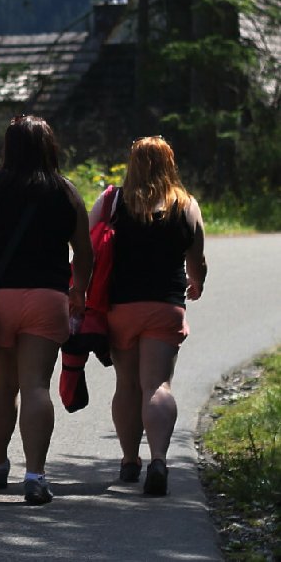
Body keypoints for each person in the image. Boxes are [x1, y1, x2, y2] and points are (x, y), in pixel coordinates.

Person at [0, 115, 92, 505]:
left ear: (8, 147)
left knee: (3, 386)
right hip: (47, 298)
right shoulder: (66, 191)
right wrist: (79, 290)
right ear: (49, 146)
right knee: (36, 386)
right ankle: (36, 476)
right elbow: (85, 252)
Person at [97, 136, 206, 497]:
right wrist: (196, 282)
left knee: (126, 384)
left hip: (121, 306)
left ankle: (130, 461)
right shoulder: (186, 205)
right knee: (157, 385)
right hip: (166, 306)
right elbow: (197, 259)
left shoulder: (113, 200)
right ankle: (158, 459)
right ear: (169, 164)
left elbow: (85, 239)